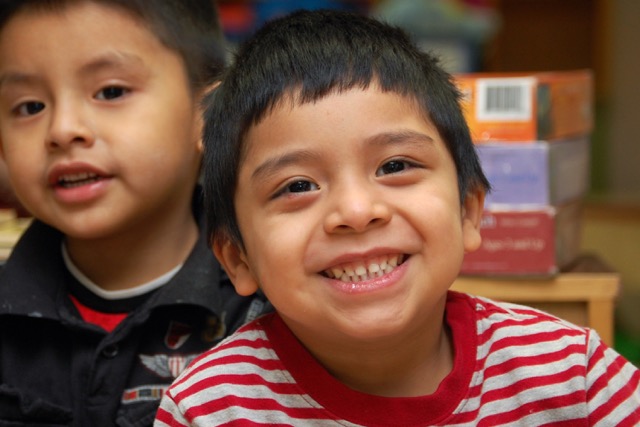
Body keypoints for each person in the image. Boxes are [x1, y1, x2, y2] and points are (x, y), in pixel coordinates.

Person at [155, 9, 640, 427]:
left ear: (469, 209)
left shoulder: (571, 375)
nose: (357, 212)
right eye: (298, 186)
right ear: (237, 258)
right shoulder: (208, 410)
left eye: (395, 166)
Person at [0, 1, 270, 425]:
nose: (62, 129)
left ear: (208, 116)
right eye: (30, 106)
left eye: (110, 92)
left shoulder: (269, 312)